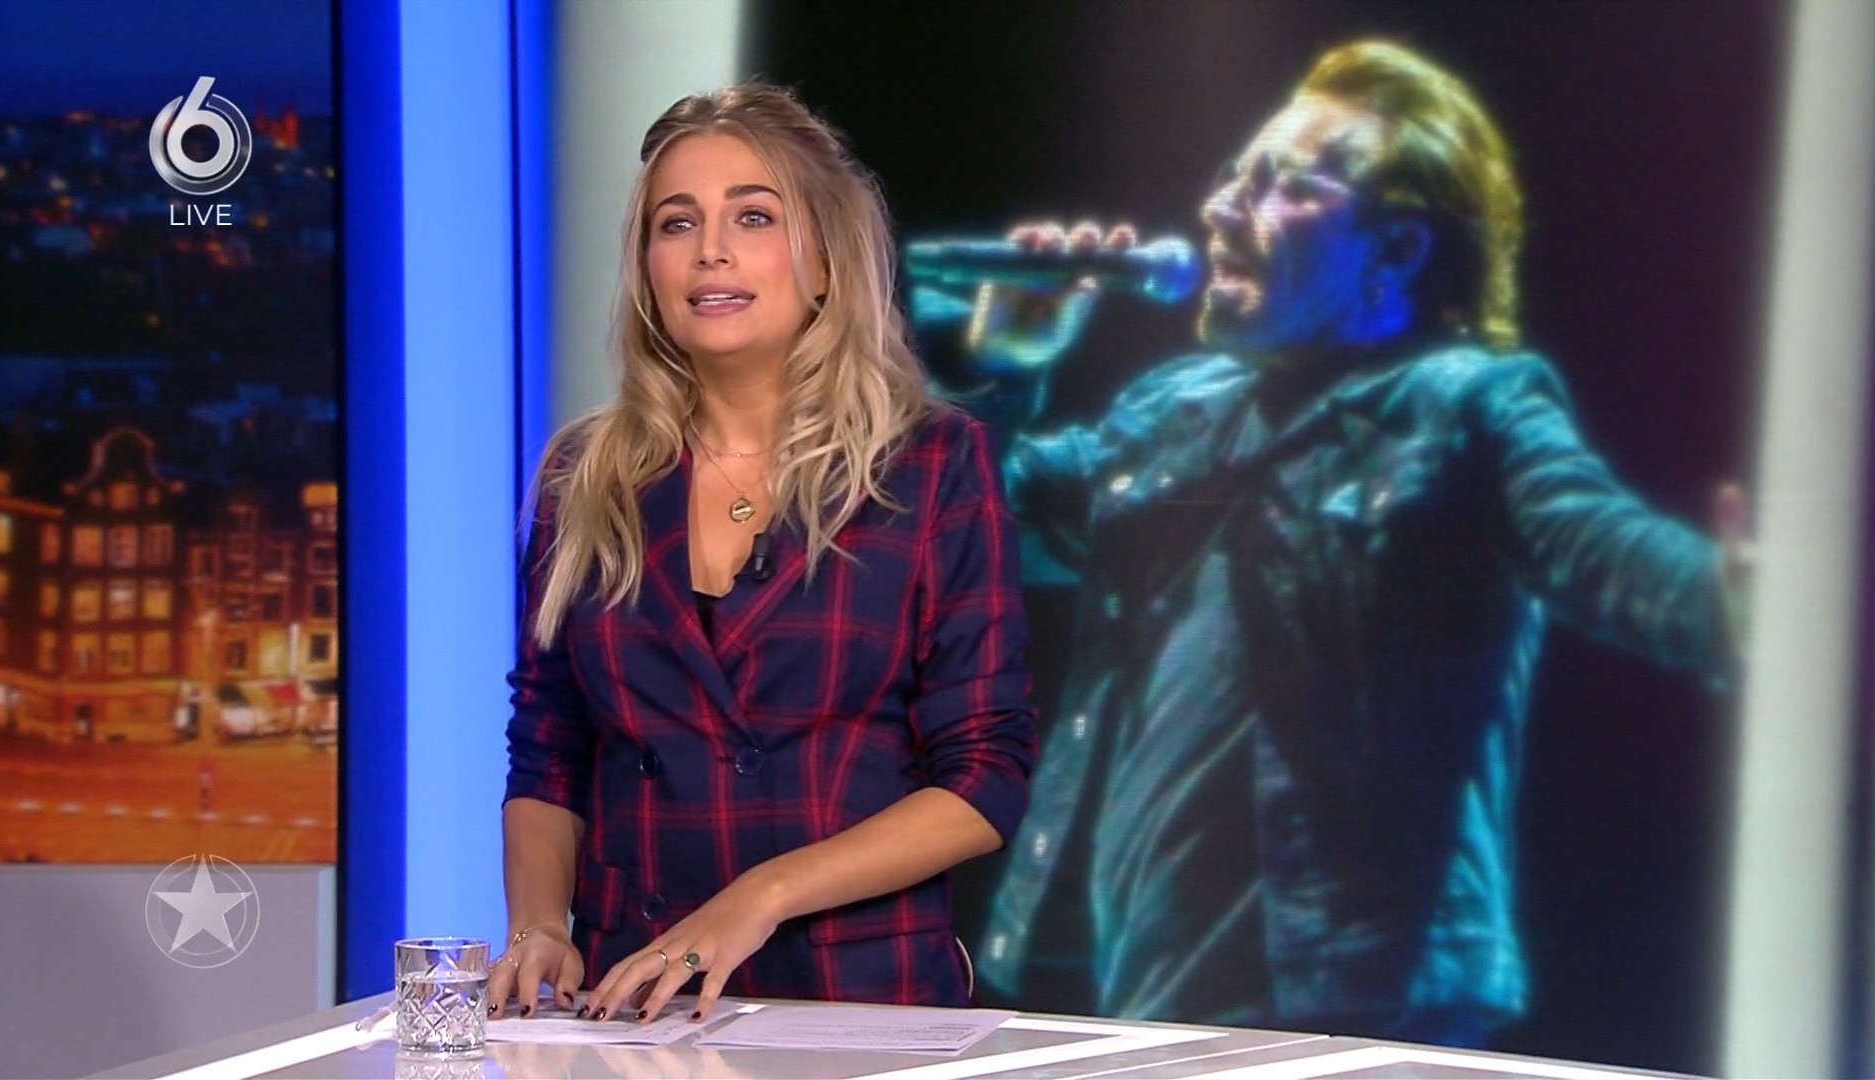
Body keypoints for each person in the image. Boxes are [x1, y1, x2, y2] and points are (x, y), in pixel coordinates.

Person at [947, 41, 1750, 1043]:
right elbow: (962, 546)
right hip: (1152, 992)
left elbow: (1604, 551)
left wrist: (1739, 598)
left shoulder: (1462, 406)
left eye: (1282, 186)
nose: (1221, 210)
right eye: (1235, 177)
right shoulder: (1172, 414)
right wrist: (1005, 372)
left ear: (1398, 248)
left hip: (1362, 997)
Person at [487, 83, 1036, 1025]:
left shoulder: (931, 464)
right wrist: (538, 923)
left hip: (863, 1005)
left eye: (753, 216)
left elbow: (985, 774)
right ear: (649, 270)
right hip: (637, 1003)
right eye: (677, 223)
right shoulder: (583, 479)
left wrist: (760, 896)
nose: (711, 250)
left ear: (824, 262)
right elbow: (548, 752)